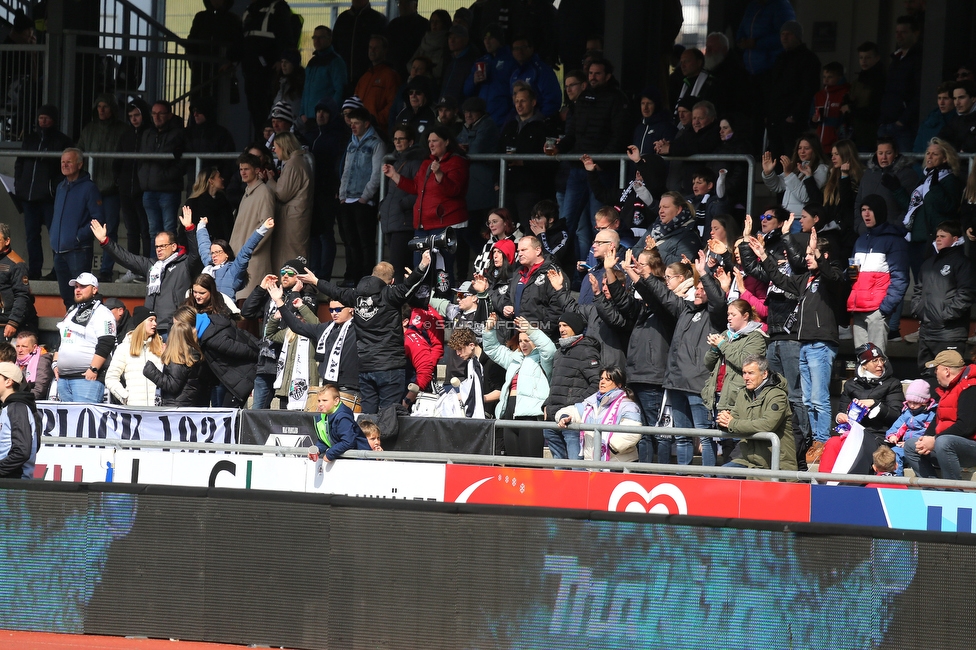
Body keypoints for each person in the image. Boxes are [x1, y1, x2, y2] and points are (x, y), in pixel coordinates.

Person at [750, 229, 843, 464]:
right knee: (808, 400)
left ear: (824, 255)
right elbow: (781, 280)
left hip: (821, 344)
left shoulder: (832, 277)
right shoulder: (805, 279)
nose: (807, 258)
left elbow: (834, 277)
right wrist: (763, 255)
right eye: (808, 254)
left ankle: (822, 440)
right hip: (803, 343)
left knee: (818, 398)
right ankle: (815, 439)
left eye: (811, 254)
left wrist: (820, 257)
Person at [298, 253, 431, 414]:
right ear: (392, 282)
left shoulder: (355, 296)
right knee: (388, 416)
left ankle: (367, 440)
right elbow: (409, 285)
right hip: (389, 366)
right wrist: (423, 265)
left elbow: (336, 291)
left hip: (366, 367)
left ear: (372, 276)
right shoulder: (391, 295)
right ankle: (382, 440)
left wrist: (316, 281)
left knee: (368, 416)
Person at [554, 58, 632, 262]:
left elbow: (619, 136)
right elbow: (572, 133)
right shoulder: (582, 99)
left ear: (608, 76)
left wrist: (601, 163)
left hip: (601, 172)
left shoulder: (617, 98)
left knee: (597, 223)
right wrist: (558, 148)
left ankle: (594, 272)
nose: (593, 77)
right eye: (590, 73)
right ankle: (559, 271)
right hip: (578, 169)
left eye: (598, 73)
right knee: (566, 222)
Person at [383, 125, 469, 286]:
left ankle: (443, 305)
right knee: (420, 267)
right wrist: (394, 175)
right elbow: (415, 187)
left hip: (444, 223)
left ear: (446, 142)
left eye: (435, 140)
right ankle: (423, 307)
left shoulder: (456, 162)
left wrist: (439, 174)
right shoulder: (427, 163)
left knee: (442, 269)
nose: (431, 144)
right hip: (423, 225)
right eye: (429, 141)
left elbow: (455, 191)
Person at [90, 216, 202, 337]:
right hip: (150, 326)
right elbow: (126, 258)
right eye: (157, 246)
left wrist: (190, 229)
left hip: (174, 327)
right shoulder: (152, 265)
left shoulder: (184, 264)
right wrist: (105, 241)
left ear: (174, 247)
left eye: (163, 246)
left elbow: (196, 255)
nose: (159, 250)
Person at [483, 314, 555, 458]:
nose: (523, 344)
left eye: (527, 340)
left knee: (531, 462)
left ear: (535, 341)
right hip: (509, 411)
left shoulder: (543, 359)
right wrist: (489, 330)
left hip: (531, 415)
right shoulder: (515, 358)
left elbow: (549, 349)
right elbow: (492, 349)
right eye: (521, 341)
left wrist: (530, 330)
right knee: (513, 463)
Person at [15, 105, 73, 280]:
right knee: (32, 235)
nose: (43, 121)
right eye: (41, 118)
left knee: (55, 235)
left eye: (47, 118)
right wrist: (19, 185)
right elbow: (20, 163)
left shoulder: (62, 141)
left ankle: (58, 271)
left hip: (49, 198)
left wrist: (52, 188)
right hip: (29, 197)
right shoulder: (30, 139)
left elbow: (64, 169)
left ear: (54, 120)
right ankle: (34, 271)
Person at [847, 195, 910, 352]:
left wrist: (884, 309)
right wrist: (847, 274)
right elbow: (854, 270)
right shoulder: (860, 240)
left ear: (880, 211)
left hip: (877, 310)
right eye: (863, 210)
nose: (866, 214)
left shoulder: (894, 240)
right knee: (862, 361)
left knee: (876, 361)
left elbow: (901, 278)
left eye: (870, 210)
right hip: (858, 308)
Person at [76, 94, 127, 283]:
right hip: (91, 188)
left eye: (105, 106)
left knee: (110, 230)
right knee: (87, 230)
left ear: (112, 109)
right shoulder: (89, 129)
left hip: (111, 189)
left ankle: (106, 270)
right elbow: (78, 152)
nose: (102, 110)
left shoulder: (122, 130)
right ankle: (85, 270)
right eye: (99, 106)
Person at [717, 354, 798, 472]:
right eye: (744, 373)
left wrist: (732, 423)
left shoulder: (777, 395)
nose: (745, 377)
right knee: (722, 474)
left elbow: (767, 425)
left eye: (751, 373)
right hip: (748, 459)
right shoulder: (743, 394)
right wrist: (722, 421)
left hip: (774, 462)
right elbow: (732, 419)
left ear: (764, 374)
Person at [903, 350, 976, 481]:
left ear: (947, 371)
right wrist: (925, 440)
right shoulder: (949, 389)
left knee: (944, 442)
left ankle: (952, 490)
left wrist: (935, 439)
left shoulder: (971, 387)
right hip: (947, 445)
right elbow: (938, 420)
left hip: (969, 447)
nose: (935, 373)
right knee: (911, 445)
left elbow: (966, 426)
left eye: (937, 369)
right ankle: (933, 488)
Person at [274, 296, 360, 406]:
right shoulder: (326, 328)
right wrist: (279, 302)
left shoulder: (359, 327)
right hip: (328, 386)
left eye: (338, 309)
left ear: (351, 308)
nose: (334, 313)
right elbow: (297, 326)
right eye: (331, 310)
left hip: (349, 387)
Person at [911, 221, 973, 371]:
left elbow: (967, 293)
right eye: (937, 236)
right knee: (927, 376)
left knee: (949, 377)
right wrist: (919, 310)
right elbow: (918, 290)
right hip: (927, 333)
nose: (938, 239)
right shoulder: (928, 263)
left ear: (955, 239)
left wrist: (945, 315)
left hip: (950, 333)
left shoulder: (963, 263)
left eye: (943, 236)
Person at [541, 310, 601, 460]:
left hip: (571, 420)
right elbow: (556, 383)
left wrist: (575, 407)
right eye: (560, 325)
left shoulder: (586, 351)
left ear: (576, 327)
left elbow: (597, 383)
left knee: (576, 469)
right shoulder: (559, 352)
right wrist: (546, 405)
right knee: (559, 471)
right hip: (552, 419)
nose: (561, 329)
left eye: (566, 325)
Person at [555, 366, 642, 462]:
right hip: (593, 463)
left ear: (619, 384)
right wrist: (564, 417)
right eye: (601, 378)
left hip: (619, 464)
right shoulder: (591, 402)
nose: (602, 382)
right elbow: (570, 411)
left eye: (608, 379)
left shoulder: (628, 405)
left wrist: (610, 447)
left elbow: (633, 431)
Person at [337, 108, 385, 284]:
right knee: (350, 242)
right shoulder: (351, 144)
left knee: (365, 242)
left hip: (363, 201)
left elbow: (377, 174)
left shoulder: (376, 144)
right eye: (351, 123)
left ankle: (366, 278)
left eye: (356, 123)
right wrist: (342, 195)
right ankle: (351, 276)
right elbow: (346, 170)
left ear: (366, 123)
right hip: (348, 199)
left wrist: (365, 197)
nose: (353, 126)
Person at [52, 273, 117, 403]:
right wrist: (55, 364)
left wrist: (93, 369)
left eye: (83, 286)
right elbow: (61, 340)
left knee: (85, 422)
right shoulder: (72, 312)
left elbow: (106, 342)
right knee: (69, 423)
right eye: (76, 286)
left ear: (94, 289)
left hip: (86, 380)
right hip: (64, 380)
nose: (77, 289)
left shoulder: (102, 312)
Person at [51, 148, 103, 308]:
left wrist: (78, 237)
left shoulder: (89, 188)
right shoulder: (60, 187)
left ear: (80, 164)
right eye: (62, 162)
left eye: (69, 162)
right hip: (59, 251)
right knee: (67, 297)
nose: (64, 165)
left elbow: (98, 219)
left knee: (84, 296)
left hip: (78, 251)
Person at [240, 0, 298, 137]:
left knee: (266, 107)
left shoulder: (278, 8)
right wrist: (232, 59)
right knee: (255, 108)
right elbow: (240, 38)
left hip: (268, 70)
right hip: (250, 70)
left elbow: (285, 34)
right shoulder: (250, 10)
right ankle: (261, 140)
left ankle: (269, 141)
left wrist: (280, 59)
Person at [765, 21, 821, 158]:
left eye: (788, 34)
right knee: (776, 159)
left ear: (797, 36)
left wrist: (794, 115)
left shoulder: (809, 59)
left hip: (794, 121)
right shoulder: (780, 59)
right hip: (776, 119)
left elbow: (809, 90)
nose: (784, 37)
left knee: (792, 157)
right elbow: (773, 89)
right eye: (782, 34)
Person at [191, 208, 273, 302]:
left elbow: (246, 250)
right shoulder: (209, 266)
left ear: (227, 254)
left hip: (224, 312)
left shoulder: (233, 270)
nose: (214, 255)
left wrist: (263, 229)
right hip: (205, 310)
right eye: (213, 253)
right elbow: (203, 245)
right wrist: (201, 225)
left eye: (218, 252)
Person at [835, 342, 904, 451]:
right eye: (875, 361)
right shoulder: (850, 384)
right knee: (832, 444)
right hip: (853, 433)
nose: (880, 364)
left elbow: (897, 415)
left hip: (880, 435)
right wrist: (840, 417)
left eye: (882, 360)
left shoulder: (892, 384)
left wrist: (875, 404)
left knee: (857, 447)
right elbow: (842, 410)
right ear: (864, 365)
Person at [264, 281, 320, 410]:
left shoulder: (314, 332)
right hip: (287, 386)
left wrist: (301, 307)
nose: (298, 317)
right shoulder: (289, 332)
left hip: (306, 386)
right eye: (296, 315)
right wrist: (274, 318)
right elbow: (270, 334)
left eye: (301, 316)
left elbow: (315, 322)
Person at [229, 153, 276, 299]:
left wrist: (250, 249)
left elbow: (268, 224)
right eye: (241, 169)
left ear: (257, 170)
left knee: (249, 308)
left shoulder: (263, 192)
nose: (243, 172)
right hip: (241, 259)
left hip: (253, 261)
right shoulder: (247, 192)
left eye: (246, 169)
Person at [138, 100, 185, 241]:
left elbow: (182, 162)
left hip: (168, 190)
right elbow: (142, 157)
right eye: (154, 113)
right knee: (153, 232)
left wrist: (166, 176)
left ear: (169, 115)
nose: (156, 117)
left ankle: (171, 263)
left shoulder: (178, 134)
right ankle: (156, 263)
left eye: (160, 113)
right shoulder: (147, 133)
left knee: (169, 230)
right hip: (148, 189)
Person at [116, 99, 153, 276]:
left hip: (143, 189)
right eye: (130, 116)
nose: (134, 119)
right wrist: (119, 181)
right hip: (126, 189)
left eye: (137, 115)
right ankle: (132, 270)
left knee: (145, 230)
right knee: (132, 231)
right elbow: (118, 160)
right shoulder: (125, 135)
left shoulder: (149, 133)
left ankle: (145, 268)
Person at [853, 137, 919, 234]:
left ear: (896, 153)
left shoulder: (907, 174)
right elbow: (859, 202)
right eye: (880, 153)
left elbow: (911, 206)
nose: (883, 157)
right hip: (867, 233)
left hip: (893, 234)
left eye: (888, 153)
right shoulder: (868, 174)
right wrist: (860, 226)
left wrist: (895, 228)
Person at [877, 16, 923, 153]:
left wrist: (903, 120)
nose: (898, 35)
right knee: (884, 166)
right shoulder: (895, 59)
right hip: (886, 122)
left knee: (905, 165)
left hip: (904, 126)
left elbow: (919, 93)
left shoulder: (918, 59)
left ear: (915, 33)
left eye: (903, 32)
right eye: (897, 32)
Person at [269, 132, 312, 273]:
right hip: (294, 217)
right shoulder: (299, 161)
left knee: (291, 257)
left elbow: (282, 194)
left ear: (284, 146)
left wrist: (270, 181)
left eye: (276, 147)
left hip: (292, 220)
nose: (274, 150)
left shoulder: (294, 164)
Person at [142, 319, 211, 407]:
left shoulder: (179, 358)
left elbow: (172, 386)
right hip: (185, 403)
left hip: (176, 407)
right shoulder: (192, 354)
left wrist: (151, 371)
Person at [105, 307, 163, 406]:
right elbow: (111, 378)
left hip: (158, 410)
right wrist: (125, 397)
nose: (155, 324)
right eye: (151, 320)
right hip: (134, 410)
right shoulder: (124, 348)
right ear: (141, 323)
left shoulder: (160, 347)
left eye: (155, 320)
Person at [462, 23, 517, 128]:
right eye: (485, 38)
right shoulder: (481, 61)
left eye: (491, 38)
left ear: (500, 40)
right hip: (481, 119)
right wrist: (474, 81)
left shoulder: (511, 61)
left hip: (502, 118)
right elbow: (466, 91)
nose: (487, 42)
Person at [761, 135, 829, 219]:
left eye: (806, 148)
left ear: (815, 150)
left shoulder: (821, 169)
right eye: (799, 148)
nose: (802, 151)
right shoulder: (796, 167)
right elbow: (777, 186)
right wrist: (768, 173)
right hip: (787, 217)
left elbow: (806, 197)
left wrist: (789, 174)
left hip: (801, 219)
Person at [332, 0, 388, 93]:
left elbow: (383, 50)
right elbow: (335, 46)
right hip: (343, 79)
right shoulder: (343, 19)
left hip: (369, 79)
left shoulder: (377, 19)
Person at [307, 385, 372, 463]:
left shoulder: (343, 418)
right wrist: (317, 449)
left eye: (325, 400)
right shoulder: (323, 417)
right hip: (346, 461)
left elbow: (348, 442)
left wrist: (330, 454)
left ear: (336, 401)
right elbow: (325, 440)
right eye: (319, 400)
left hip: (360, 461)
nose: (320, 404)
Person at [885, 379, 936, 476]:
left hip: (920, 446)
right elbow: (898, 425)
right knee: (893, 454)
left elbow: (928, 432)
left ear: (924, 402)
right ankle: (896, 480)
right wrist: (892, 435)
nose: (912, 406)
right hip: (903, 446)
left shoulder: (931, 414)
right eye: (909, 402)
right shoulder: (907, 413)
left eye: (916, 403)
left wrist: (910, 443)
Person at [0, 361, 40, 479]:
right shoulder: (9, 407)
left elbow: (21, 451)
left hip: (14, 484)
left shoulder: (17, 407)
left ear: (9, 381)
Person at [354, 35, 400, 136]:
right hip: (360, 130)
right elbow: (355, 101)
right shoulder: (365, 77)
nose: (372, 50)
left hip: (378, 131)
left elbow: (393, 104)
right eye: (370, 47)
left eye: (376, 48)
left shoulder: (390, 75)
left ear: (385, 50)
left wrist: (376, 119)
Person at [736, 0, 795, 76]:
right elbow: (743, 27)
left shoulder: (781, 6)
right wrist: (740, 39)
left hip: (772, 69)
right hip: (750, 69)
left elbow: (786, 36)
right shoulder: (753, 6)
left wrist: (756, 43)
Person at [641, 192, 702, 266]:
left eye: (665, 207)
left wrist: (654, 252)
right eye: (660, 207)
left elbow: (681, 265)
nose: (661, 211)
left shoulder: (690, 235)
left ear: (679, 209)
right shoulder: (654, 227)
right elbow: (636, 249)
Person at [302, 26, 346, 123]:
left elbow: (340, 90)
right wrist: (302, 112)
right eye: (314, 37)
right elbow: (306, 90)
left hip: (325, 119)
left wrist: (330, 112)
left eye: (321, 37)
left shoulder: (336, 62)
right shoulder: (311, 62)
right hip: (309, 118)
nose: (317, 41)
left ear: (330, 39)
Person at [847, 41, 885, 153]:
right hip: (857, 130)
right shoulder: (858, 80)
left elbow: (874, 109)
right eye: (861, 57)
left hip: (869, 132)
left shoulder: (879, 80)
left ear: (877, 58)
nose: (863, 61)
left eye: (868, 57)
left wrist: (851, 109)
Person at [0, 223, 37, 337]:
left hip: (12, 324)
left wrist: (13, 322)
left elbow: (22, 295)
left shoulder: (17, 264)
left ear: (7, 241)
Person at [387, 0, 428, 76]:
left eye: (406, 3)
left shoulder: (423, 25)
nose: (402, 6)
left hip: (415, 71)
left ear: (415, 6)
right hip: (393, 70)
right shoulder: (393, 25)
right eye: (400, 3)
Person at [914, 83, 956, 154]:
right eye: (939, 98)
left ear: (954, 100)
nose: (941, 102)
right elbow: (917, 151)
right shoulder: (927, 123)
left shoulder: (961, 122)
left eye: (946, 98)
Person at [14, 331, 53, 401]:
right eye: (17, 346)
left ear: (34, 347)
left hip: (31, 402)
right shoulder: (14, 360)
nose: (19, 350)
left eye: (24, 346)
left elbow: (39, 390)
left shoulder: (42, 360)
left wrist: (17, 398)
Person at [939, 81, 976, 153]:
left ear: (973, 98)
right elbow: (941, 138)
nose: (957, 103)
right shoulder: (955, 120)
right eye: (955, 98)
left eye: (961, 97)